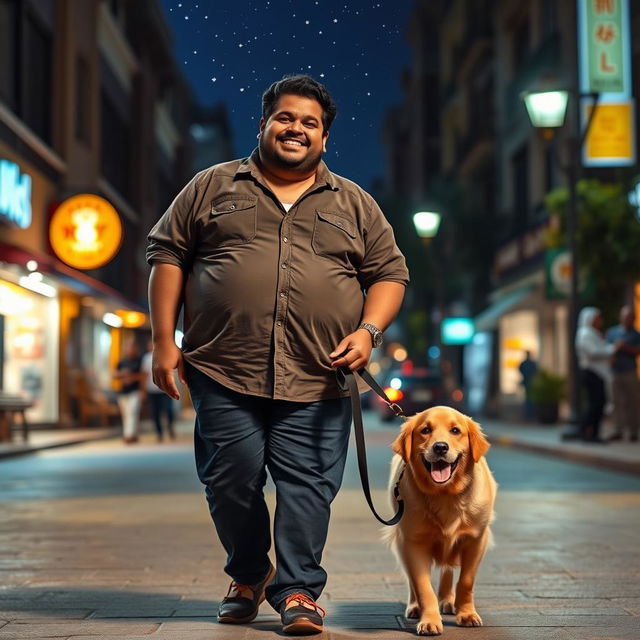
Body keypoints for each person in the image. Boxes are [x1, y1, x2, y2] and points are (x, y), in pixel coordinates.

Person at [146, 75, 408, 635]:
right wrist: (162, 339)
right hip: (223, 366)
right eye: (286, 118)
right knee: (229, 478)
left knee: (308, 485)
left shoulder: (355, 203)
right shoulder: (212, 186)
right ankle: (248, 574)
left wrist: (368, 331)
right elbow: (167, 253)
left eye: (309, 123)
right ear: (263, 123)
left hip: (320, 375)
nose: (296, 129)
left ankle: (298, 592)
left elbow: (389, 273)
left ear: (325, 138)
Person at [574, 307, 615, 443]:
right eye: (597, 318)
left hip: (597, 373)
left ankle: (592, 433)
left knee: (598, 403)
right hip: (592, 372)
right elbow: (593, 352)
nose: (599, 321)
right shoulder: (585, 333)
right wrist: (613, 349)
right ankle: (586, 432)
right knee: (596, 403)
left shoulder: (592, 333)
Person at [605, 305, 640, 442]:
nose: (627, 320)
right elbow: (606, 349)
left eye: (630, 317)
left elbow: (637, 351)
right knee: (615, 402)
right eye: (625, 317)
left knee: (632, 402)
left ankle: (633, 431)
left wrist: (624, 347)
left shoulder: (636, 335)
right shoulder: (612, 332)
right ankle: (617, 429)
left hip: (630, 371)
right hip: (615, 372)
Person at [141, 341, 176, 442]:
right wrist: (143, 390)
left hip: (165, 389)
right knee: (155, 412)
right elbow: (143, 375)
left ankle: (170, 427)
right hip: (152, 390)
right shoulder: (146, 358)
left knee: (168, 410)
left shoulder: (165, 355)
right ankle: (159, 432)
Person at [113, 339, 143, 444]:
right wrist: (123, 374)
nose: (130, 349)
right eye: (128, 347)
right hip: (123, 392)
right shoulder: (122, 361)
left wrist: (132, 378)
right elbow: (114, 374)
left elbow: (143, 375)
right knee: (126, 414)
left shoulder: (139, 361)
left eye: (132, 347)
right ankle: (132, 434)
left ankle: (128, 435)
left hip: (135, 391)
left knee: (132, 412)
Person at [518, 350, 538, 420]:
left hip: (529, 383)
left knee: (529, 399)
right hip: (530, 383)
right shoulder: (532, 363)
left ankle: (529, 414)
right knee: (529, 399)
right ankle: (529, 415)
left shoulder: (525, 363)